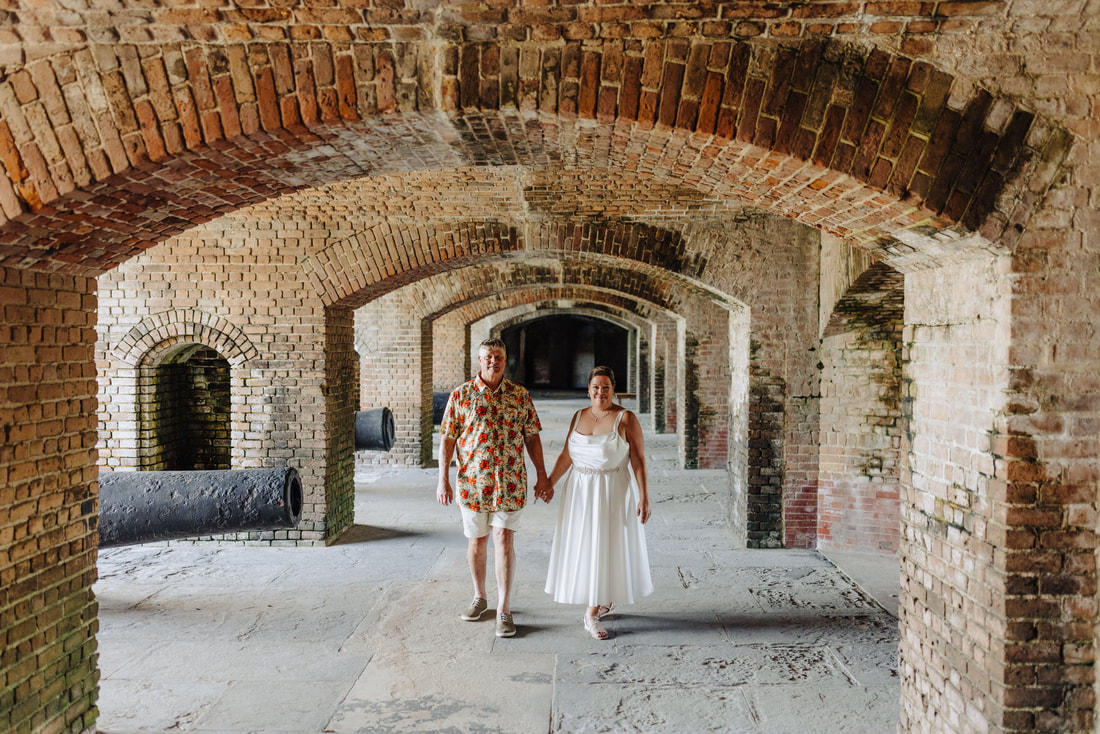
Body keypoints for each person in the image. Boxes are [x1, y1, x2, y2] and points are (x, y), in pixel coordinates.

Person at [437, 338, 553, 638]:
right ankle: (480, 597)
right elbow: (448, 439)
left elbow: (532, 437)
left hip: (511, 483)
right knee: (477, 542)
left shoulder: (519, 395)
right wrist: (442, 479)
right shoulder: (461, 395)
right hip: (473, 485)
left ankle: (504, 609)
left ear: (506, 360)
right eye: (488, 356)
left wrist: (542, 475)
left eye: (499, 356)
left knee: (504, 542)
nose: (494, 361)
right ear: (479, 359)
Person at [544, 365, 653, 640]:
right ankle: (601, 598)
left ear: (613, 389)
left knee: (605, 544)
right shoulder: (578, 416)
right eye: (595, 387)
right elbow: (567, 456)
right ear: (588, 390)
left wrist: (644, 496)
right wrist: (549, 482)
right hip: (579, 490)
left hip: (611, 489)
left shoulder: (625, 418)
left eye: (606, 387)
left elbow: (638, 460)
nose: (600, 392)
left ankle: (591, 613)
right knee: (586, 544)